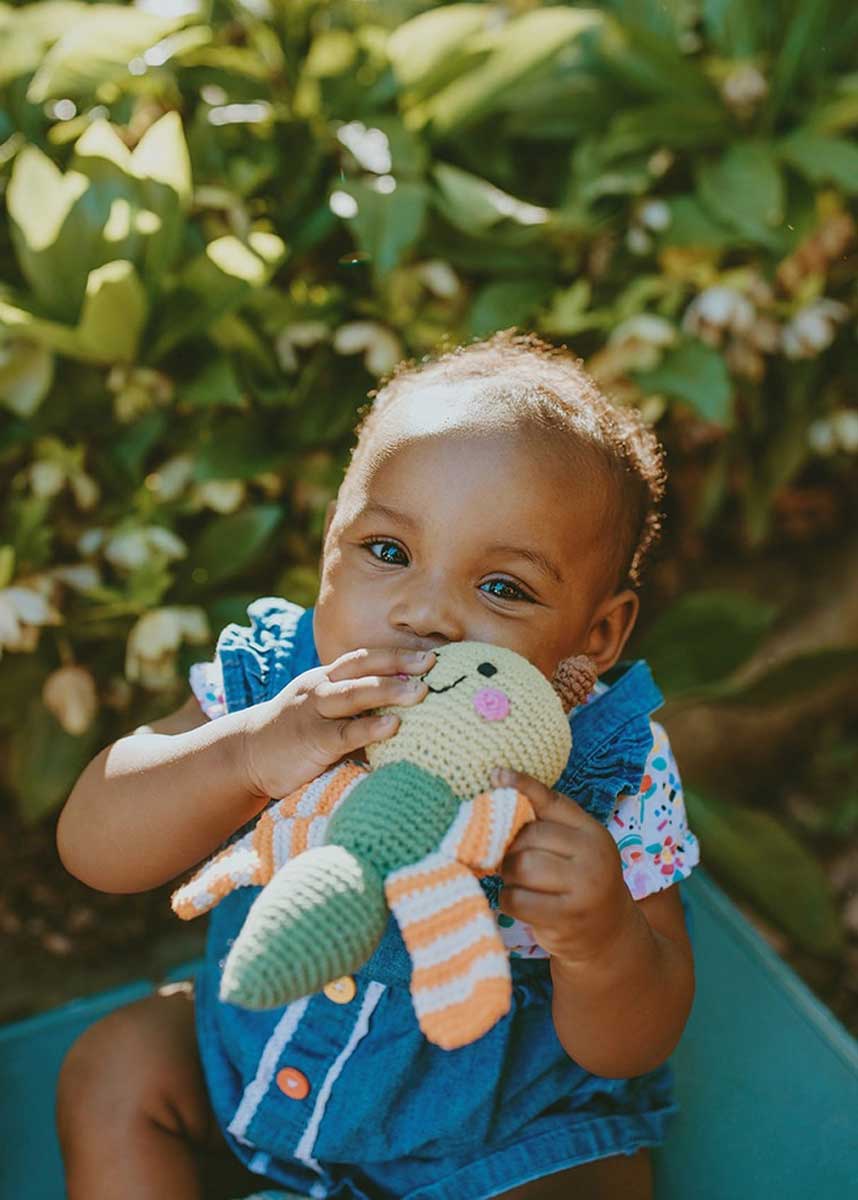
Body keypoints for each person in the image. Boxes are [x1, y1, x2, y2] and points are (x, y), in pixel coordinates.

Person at [55, 329, 700, 1200]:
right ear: (332, 541)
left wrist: (602, 939)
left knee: (600, 1181)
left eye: (503, 587)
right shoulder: (275, 683)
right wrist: (243, 755)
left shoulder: (609, 768)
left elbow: (639, 1035)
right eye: (388, 551)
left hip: (495, 1136)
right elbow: (93, 847)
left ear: (597, 635)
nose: (426, 613)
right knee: (113, 1073)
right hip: (257, 1061)